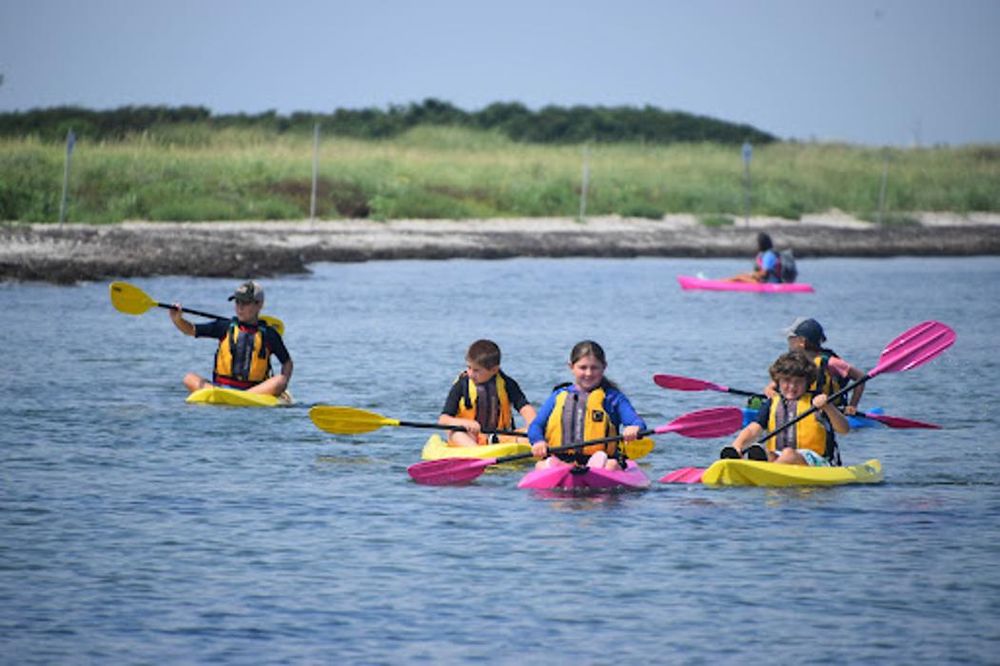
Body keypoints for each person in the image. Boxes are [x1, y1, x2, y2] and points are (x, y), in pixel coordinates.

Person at [528, 340, 646, 471]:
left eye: (594, 368)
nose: (588, 373)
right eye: (583, 368)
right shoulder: (558, 396)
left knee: (611, 465)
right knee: (540, 465)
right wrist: (538, 441)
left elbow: (636, 421)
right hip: (562, 459)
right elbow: (536, 425)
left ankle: (596, 466)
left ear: (604, 367)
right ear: (571, 367)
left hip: (603, 461)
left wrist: (634, 428)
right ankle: (558, 467)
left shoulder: (613, 398)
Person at [723, 350, 849, 466]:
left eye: (798, 381)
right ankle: (751, 466)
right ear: (778, 381)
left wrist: (828, 407)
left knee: (788, 454)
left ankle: (766, 473)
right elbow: (752, 429)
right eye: (787, 380)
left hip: (818, 462)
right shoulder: (772, 403)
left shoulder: (817, 402)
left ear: (807, 382)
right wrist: (737, 445)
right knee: (767, 454)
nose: (792, 386)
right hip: (781, 456)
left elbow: (844, 429)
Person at [169, 280, 293, 397]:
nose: (240, 307)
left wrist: (282, 387)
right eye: (237, 302)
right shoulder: (224, 327)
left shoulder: (269, 334)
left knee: (280, 380)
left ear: (259, 304)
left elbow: (287, 362)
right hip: (221, 388)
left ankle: (243, 396)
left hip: (254, 391)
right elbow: (191, 330)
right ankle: (228, 395)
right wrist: (177, 319)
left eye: (245, 303)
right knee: (189, 378)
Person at [438, 339, 537, 447]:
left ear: (494, 370)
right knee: (457, 434)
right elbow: (444, 419)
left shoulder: (507, 383)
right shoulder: (461, 385)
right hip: (469, 436)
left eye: (476, 370)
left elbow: (525, 408)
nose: (470, 374)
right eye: (469, 367)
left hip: (499, 438)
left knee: (530, 431)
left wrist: (534, 427)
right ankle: (476, 452)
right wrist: (465, 423)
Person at [764, 318, 867, 415]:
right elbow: (775, 383)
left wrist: (852, 405)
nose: (788, 341)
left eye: (791, 338)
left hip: (828, 411)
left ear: (802, 341)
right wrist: (769, 390)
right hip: (798, 408)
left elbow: (861, 377)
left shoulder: (830, 362)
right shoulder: (795, 362)